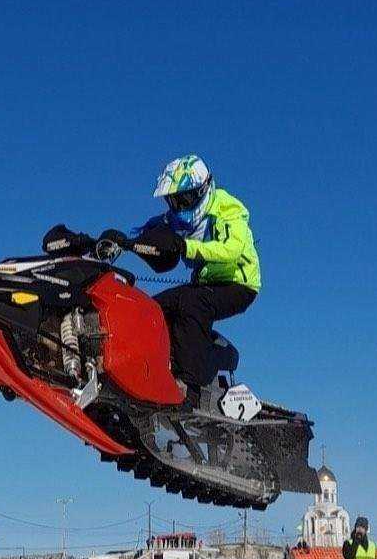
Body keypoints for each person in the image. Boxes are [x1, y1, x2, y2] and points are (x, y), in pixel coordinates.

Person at [43, 155, 260, 408]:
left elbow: (231, 250)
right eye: (174, 201)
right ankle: (154, 374)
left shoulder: (228, 209)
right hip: (205, 284)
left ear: (203, 189)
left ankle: (191, 385)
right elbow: (145, 234)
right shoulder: (175, 219)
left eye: (185, 199)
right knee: (150, 309)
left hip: (238, 285)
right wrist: (117, 243)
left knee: (193, 305)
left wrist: (185, 246)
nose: (179, 207)